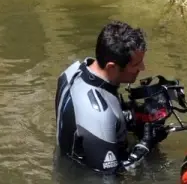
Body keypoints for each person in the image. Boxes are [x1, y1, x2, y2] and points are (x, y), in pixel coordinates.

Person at [54, 20, 168, 173]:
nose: (142, 68)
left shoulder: (73, 71)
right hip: (86, 183)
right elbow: (109, 178)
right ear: (112, 67)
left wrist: (133, 115)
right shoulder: (99, 115)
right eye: (136, 65)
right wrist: (146, 144)